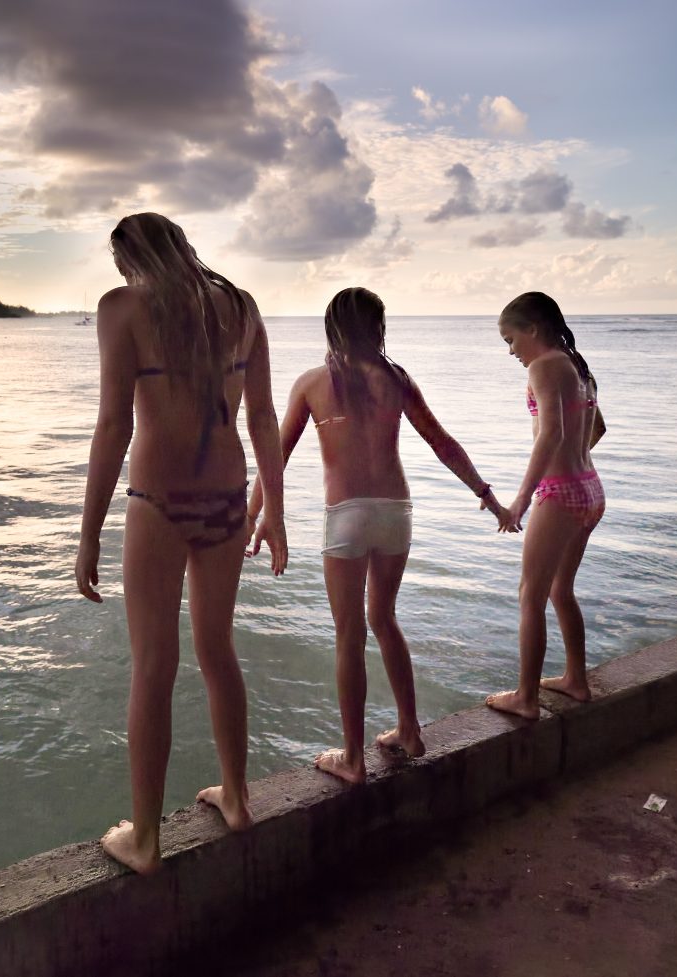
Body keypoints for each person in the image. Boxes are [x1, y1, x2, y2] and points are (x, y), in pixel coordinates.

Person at [74, 213, 287, 874]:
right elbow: (261, 414)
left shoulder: (122, 307)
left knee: (152, 666)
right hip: (226, 499)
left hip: (160, 503)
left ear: (128, 258)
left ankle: (144, 838)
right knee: (217, 648)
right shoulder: (241, 305)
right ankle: (238, 796)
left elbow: (113, 425)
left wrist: (87, 536)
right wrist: (273, 509)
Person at [247, 287, 502, 784]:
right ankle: (409, 729)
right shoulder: (397, 381)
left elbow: (273, 457)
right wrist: (486, 494)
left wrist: (253, 516)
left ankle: (352, 758)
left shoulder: (312, 383)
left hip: (346, 514)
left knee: (349, 634)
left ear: (332, 328)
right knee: (384, 617)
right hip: (395, 512)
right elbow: (442, 443)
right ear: (377, 328)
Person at [485, 291, 606, 720]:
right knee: (560, 589)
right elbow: (595, 429)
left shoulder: (543, 366)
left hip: (560, 494)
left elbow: (549, 434)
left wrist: (521, 498)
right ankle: (576, 680)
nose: (511, 351)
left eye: (511, 340)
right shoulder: (576, 365)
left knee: (529, 595)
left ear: (532, 329)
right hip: (590, 489)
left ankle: (526, 698)